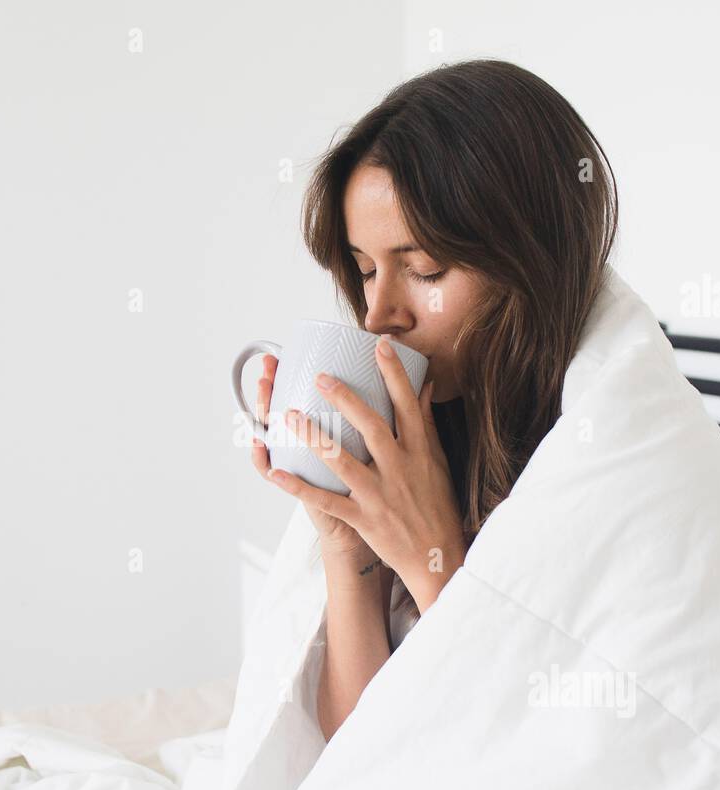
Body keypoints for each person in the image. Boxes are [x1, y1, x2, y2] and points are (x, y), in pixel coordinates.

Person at [247, 59, 617, 741]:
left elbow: (526, 760)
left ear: (529, 261)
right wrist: (346, 541)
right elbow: (353, 753)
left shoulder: (605, 470)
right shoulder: (432, 429)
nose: (378, 313)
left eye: (423, 270)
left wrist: (432, 560)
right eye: (364, 271)